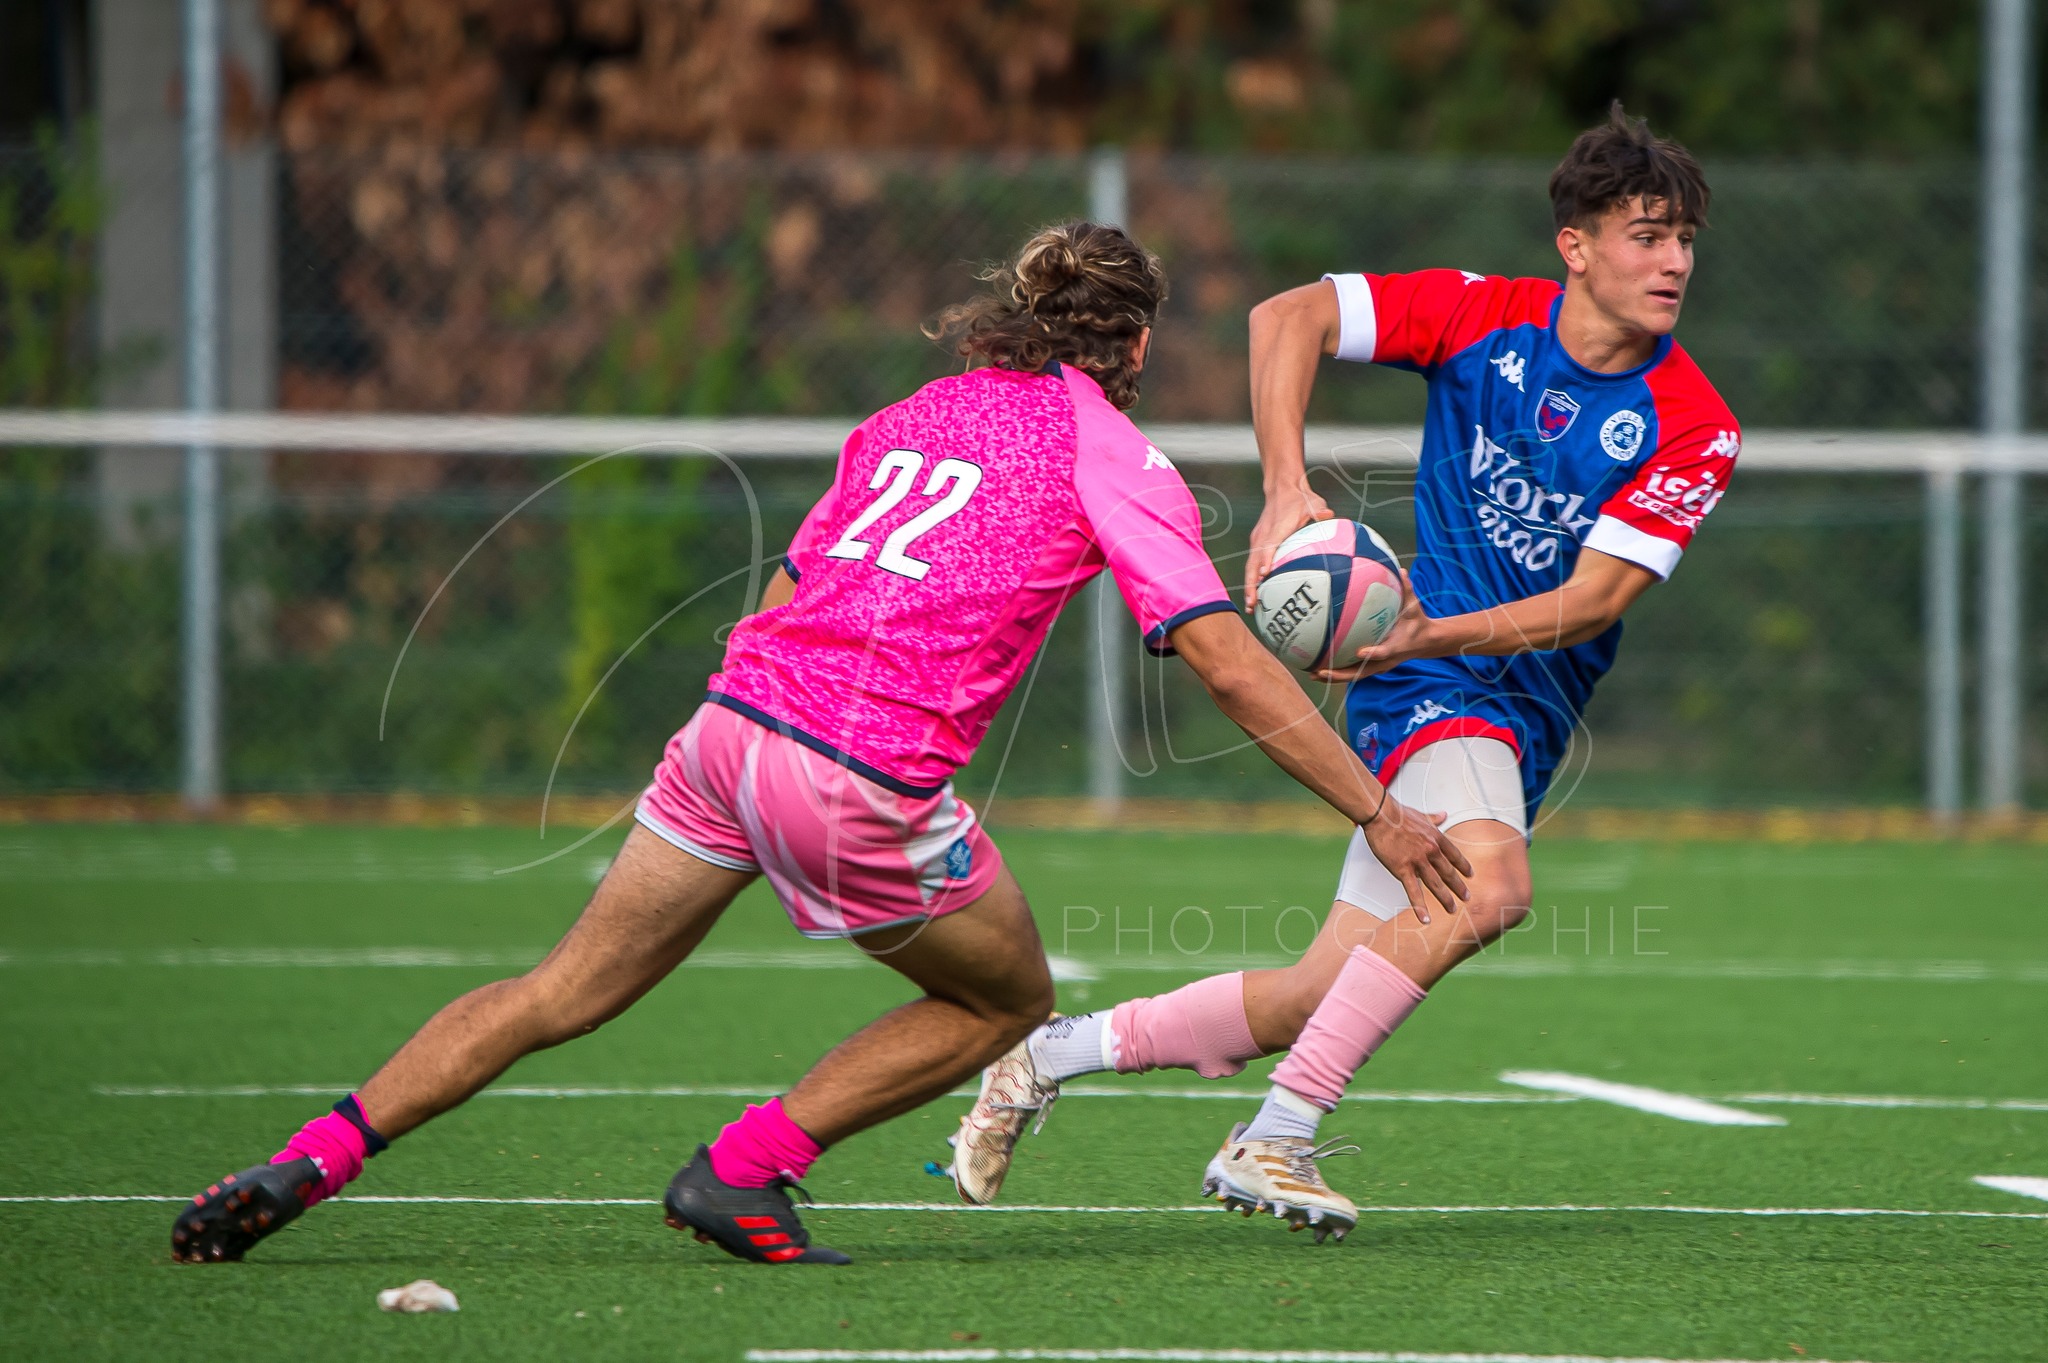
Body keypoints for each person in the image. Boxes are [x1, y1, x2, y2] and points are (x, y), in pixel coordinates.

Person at [170, 222, 1469, 1268]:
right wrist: (1380, 810)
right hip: (856, 770)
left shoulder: (909, 415)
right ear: (1130, 339)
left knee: (561, 987)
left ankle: (309, 1156)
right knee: (1003, 1001)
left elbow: (789, 589)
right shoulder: (1115, 452)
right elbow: (1225, 652)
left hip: (730, 726)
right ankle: (743, 1168)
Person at [947, 105, 1742, 1243]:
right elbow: (1291, 315)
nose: (1671, 262)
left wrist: (1426, 635)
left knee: (1311, 993)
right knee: (1491, 885)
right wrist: (1283, 487)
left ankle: (1042, 1056)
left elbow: (1595, 601)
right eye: (1643, 235)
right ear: (1573, 245)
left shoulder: (1691, 422)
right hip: (1430, 691)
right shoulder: (1482, 317)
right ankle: (1275, 1133)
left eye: (1682, 241)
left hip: (1483, 684)